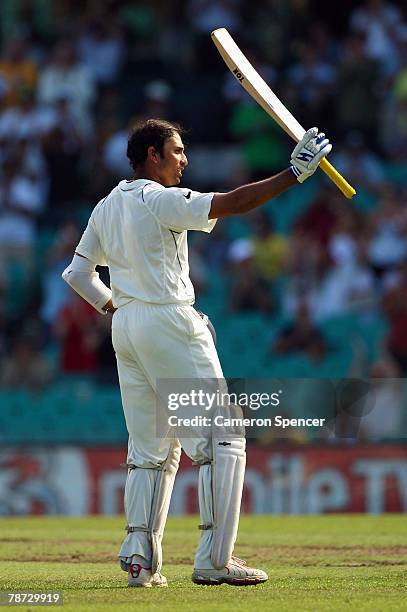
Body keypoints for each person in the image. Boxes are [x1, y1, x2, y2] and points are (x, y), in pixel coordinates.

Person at [62, 118, 331, 587]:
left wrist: (116, 305)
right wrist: (294, 174)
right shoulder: (161, 199)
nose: (184, 160)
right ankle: (215, 561)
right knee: (223, 436)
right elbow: (233, 203)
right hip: (169, 319)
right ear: (152, 155)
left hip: (125, 326)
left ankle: (140, 562)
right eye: (177, 151)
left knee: (150, 451)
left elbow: (77, 274)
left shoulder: (106, 206)